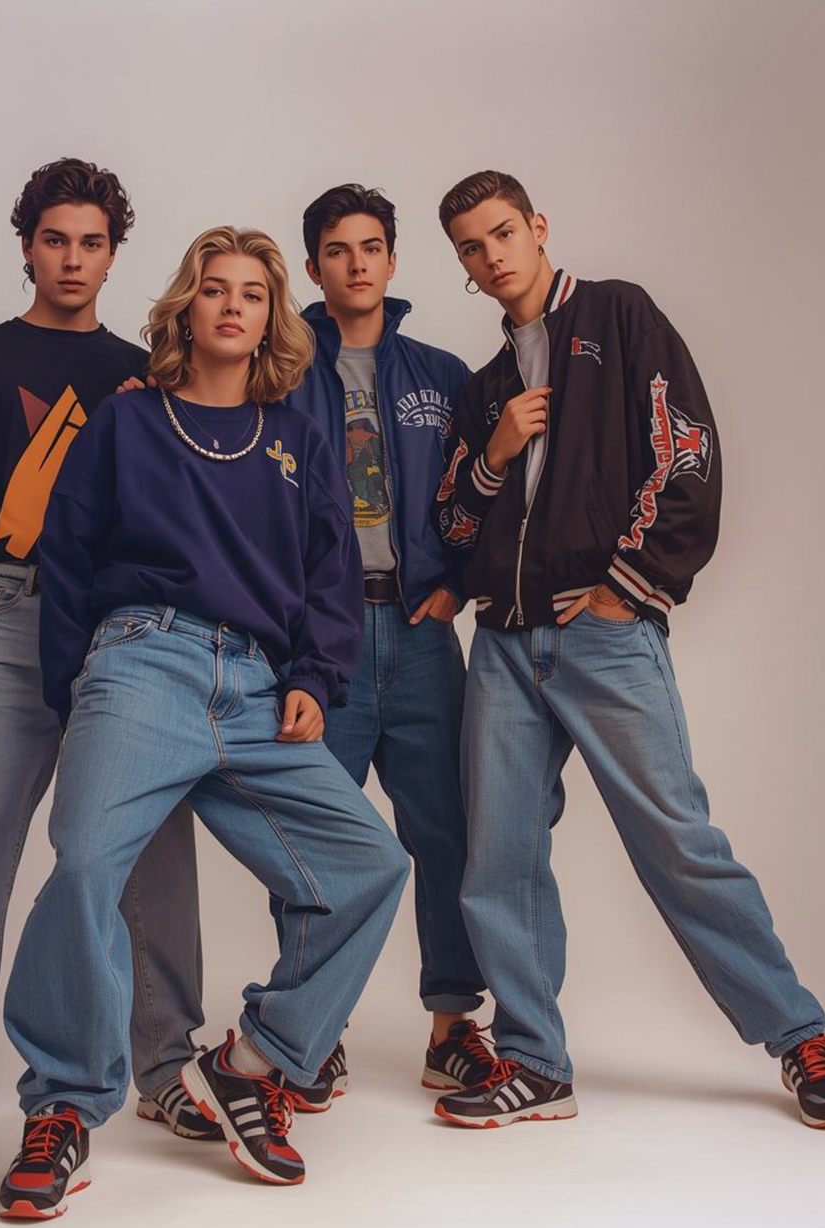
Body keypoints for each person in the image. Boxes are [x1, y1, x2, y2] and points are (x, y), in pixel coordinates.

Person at [0, 226, 410, 1220]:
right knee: (86, 864)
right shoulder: (127, 422)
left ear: (271, 316)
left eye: (252, 293)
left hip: (259, 686)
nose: (232, 306)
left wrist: (315, 676)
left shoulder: (297, 437)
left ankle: (249, 1062)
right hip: (142, 659)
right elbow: (66, 553)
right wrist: (77, 689)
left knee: (370, 864)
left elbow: (329, 573)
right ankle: (62, 1105)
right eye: (215, 289)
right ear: (186, 308)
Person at [430, 169, 825, 1129]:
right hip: (503, 648)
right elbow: (452, 525)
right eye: (471, 247)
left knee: (678, 844)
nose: (491, 256)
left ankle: (800, 1037)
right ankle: (535, 1061)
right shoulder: (485, 388)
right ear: (462, 266)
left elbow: (685, 452)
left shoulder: (618, 317)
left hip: (602, 638)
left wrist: (630, 584)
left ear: (537, 228)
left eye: (502, 233)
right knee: (499, 859)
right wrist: (493, 455)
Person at [0, 159, 209, 1153]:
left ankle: (166, 1066)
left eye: (91, 242)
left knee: (150, 843)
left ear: (113, 254)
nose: (72, 258)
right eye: (55, 239)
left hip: (125, 624)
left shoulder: (146, 372)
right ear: (27, 246)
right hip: (12, 612)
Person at [270, 183, 492, 1108]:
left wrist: (460, 585)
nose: (356, 263)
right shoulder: (278, 369)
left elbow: (484, 491)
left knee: (444, 830)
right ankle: (309, 1030)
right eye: (337, 249)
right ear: (312, 267)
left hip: (420, 632)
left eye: (371, 247)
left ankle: (452, 1026)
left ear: (393, 260)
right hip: (322, 639)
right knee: (314, 839)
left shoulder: (442, 374)